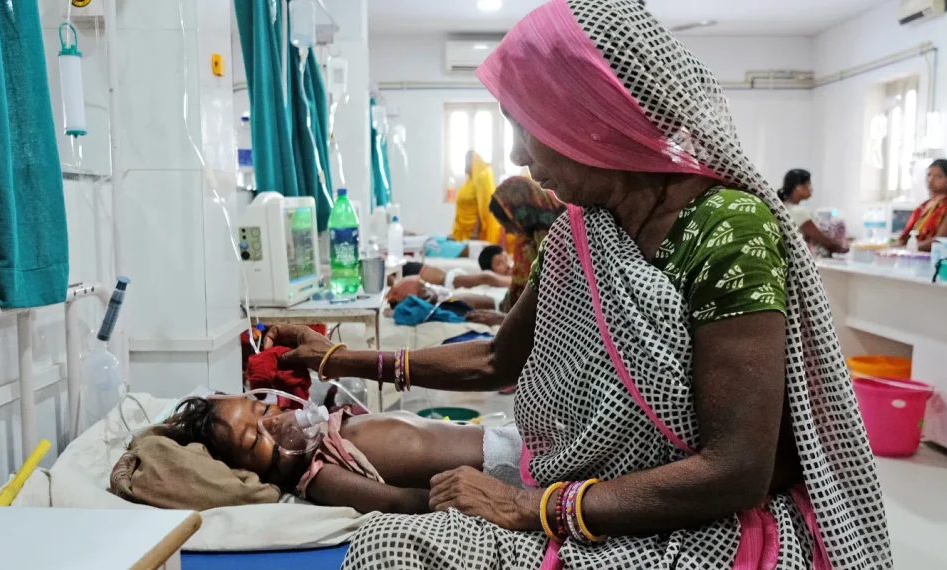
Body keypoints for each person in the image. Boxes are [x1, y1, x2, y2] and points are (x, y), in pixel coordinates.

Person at [270, 1, 891, 568]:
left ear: (591, 116)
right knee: (393, 522)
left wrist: (533, 508)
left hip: (700, 525)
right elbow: (496, 358)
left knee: (394, 546)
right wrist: (336, 357)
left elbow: (737, 471)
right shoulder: (582, 229)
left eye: (525, 127)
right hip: (590, 493)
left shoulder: (727, 228)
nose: (518, 157)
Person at [161, 395, 504, 515]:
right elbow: (397, 502)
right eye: (254, 441)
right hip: (499, 473)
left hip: (502, 440)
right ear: (249, 472)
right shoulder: (322, 476)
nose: (273, 424)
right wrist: (480, 503)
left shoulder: (332, 425)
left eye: (264, 409)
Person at [489, 176, 566, 312]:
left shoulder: (562, 232)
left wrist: (502, 317)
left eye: (508, 224)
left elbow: (533, 295)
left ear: (520, 212)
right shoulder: (530, 236)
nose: (507, 232)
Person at [897, 158, 947, 252]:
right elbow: (904, 238)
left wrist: (912, 248)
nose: (931, 180)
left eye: (938, 176)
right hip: (913, 253)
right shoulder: (922, 207)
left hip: (937, 256)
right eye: (929, 175)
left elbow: (940, 240)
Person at [778, 169, 848, 254]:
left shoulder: (781, 207)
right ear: (799, 187)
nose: (811, 189)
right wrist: (846, 249)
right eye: (809, 185)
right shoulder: (799, 212)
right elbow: (822, 241)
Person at [392, 245, 513, 290]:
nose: (507, 264)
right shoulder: (489, 277)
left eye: (506, 258)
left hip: (430, 275)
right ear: (489, 269)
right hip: (426, 274)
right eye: (499, 263)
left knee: (392, 275)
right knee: (391, 275)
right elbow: (488, 278)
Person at [451, 151, 504, 245]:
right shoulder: (468, 182)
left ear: (474, 162)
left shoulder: (480, 180)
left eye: (467, 161)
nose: (465, 165)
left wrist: (475, 232)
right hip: (461, 229)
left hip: (474, 232)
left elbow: (483, 209)